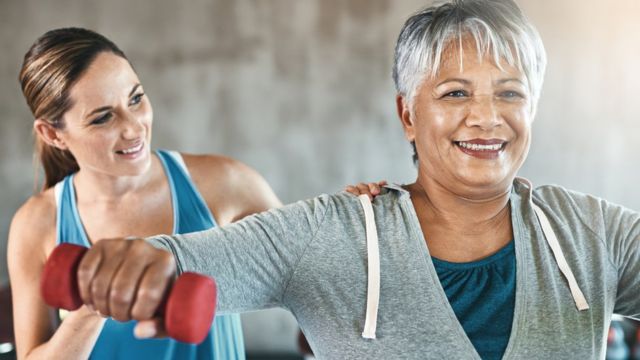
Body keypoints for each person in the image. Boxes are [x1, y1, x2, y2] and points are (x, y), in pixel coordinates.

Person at [29, 0, 640, 359]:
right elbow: (186, 257)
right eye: (455, 93)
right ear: (408, 113)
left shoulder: (596, 232)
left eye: (510, 93)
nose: (487, 117)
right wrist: (137, 266)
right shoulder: (330, 235)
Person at [6, 27, 380, 360]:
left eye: (136, 99)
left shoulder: (225, 183)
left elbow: (311, 279)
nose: (134, 128)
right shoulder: (37, 224)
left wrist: (362, 227)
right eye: (103, 117)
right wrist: (93, 306)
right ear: (53, 134)